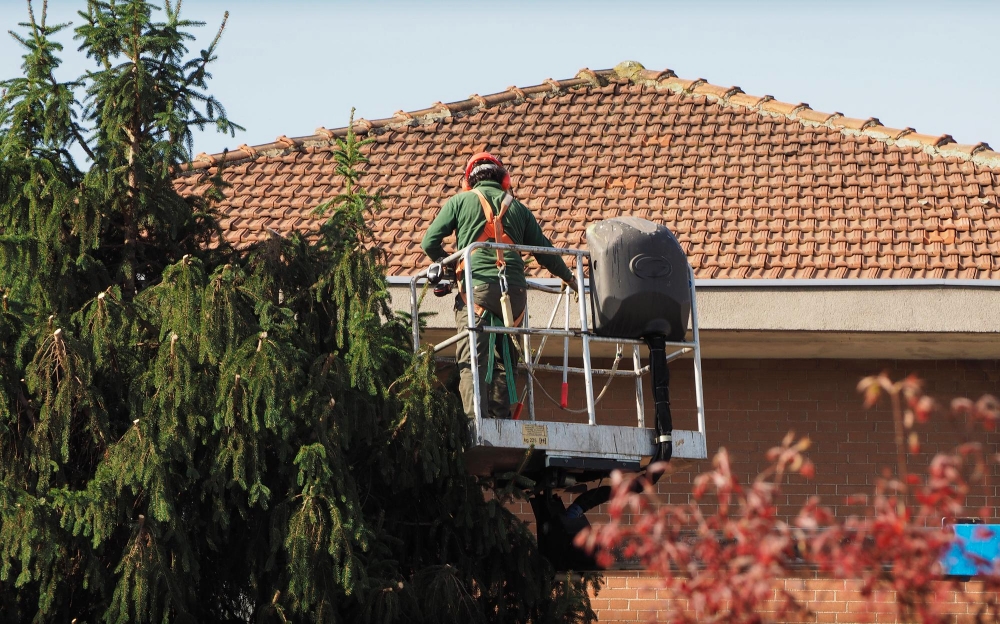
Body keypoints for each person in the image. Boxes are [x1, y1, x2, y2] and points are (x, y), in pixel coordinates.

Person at [421, 152, 578, 420]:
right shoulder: (518, 208)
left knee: (473, 361)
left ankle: (475, 421)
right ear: (505, 180)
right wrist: (571, 279)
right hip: (515, 294)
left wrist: (446, 264)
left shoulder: (460, 201)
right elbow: (544, 251)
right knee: (505, 360)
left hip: (476, 290)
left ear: (468, 182)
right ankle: (501, 419)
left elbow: (429, 242)